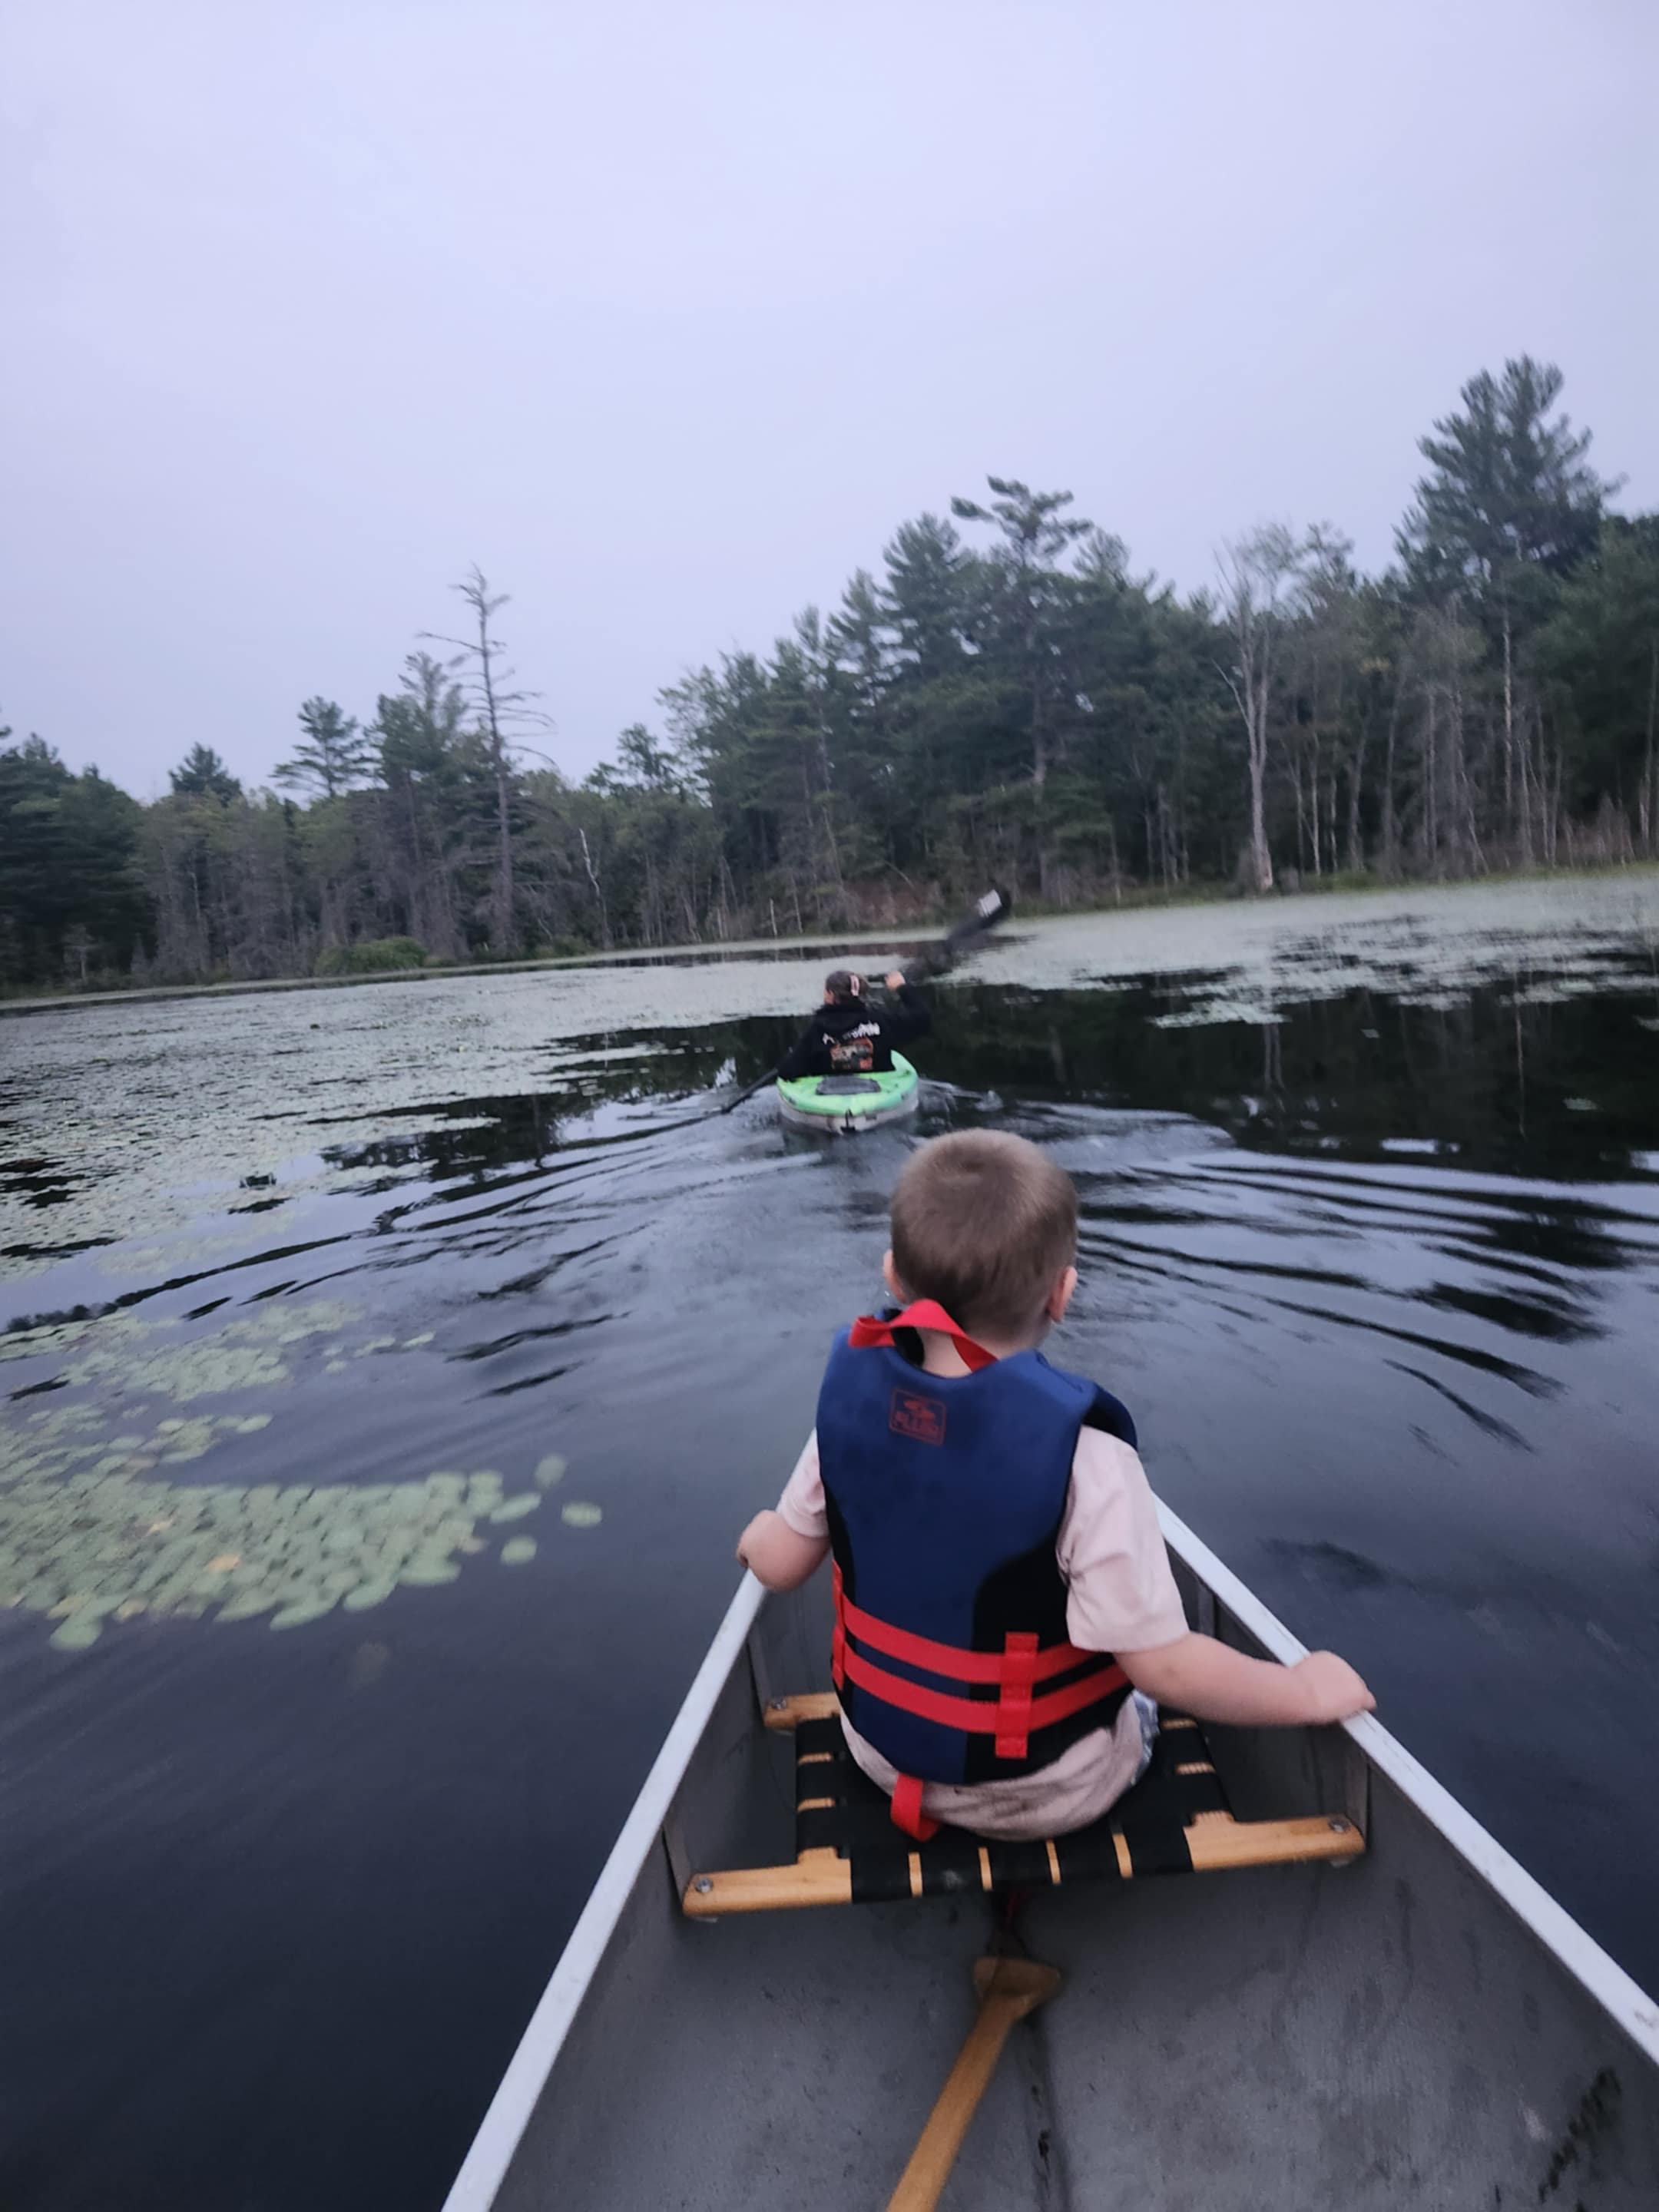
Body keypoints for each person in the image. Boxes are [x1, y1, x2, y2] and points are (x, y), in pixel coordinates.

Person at [737, 1129, 1373, 1843]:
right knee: (1146, 1694)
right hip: (1050, 1792)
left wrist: (757, 1536)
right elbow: (1165, 1669)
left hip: (881, 1757)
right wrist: (1302, 1690)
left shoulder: (850, 1409)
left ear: (893, 1276)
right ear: (1063, 1294)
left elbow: (780, 1564)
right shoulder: (1087, 1456)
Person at [776, 967, 931, 1081]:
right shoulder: (880, 1020)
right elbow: (922, 1018)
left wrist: (790, 1058)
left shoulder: (817, 1029)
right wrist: (902, 987)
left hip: (831, 1095)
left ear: (831, 994)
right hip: (877, 1093)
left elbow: (788, 1071)